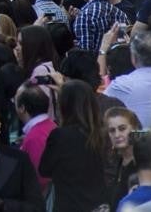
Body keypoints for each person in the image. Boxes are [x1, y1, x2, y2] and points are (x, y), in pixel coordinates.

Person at [39, 80, 110, 212]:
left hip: (71, 205)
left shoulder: (60, 136)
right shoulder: (102, 134)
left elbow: (44, 169)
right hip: (99, 204)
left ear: (64, 106)